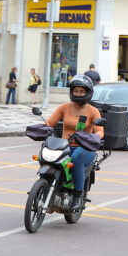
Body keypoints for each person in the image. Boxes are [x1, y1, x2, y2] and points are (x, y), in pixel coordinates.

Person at [43, 75, 104, 211]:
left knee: (76, 158)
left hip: (85, 147)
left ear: (88, 93)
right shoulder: (64, 107)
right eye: (76, 91)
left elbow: (100, 131)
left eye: (81, 91)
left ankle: (77, 195)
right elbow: (49, 123)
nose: (78, 94)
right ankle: (45, 186)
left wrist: (95, 137)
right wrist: (41, 128)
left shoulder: (93, 111)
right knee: (48, 155)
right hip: (65, 145)